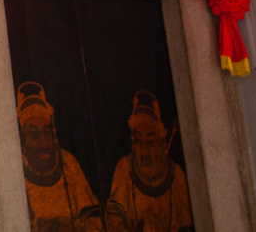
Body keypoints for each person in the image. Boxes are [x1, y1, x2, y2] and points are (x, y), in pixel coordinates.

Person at [102, 91, 194, 232]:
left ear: (161, 141)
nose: (144, 152)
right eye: (139, 142)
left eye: (150, 142)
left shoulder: (177, 176)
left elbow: (187, 225)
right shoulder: (124, 169)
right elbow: (115, 219)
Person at [17, 81, 101, 232]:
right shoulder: (15, 168)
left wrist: (69, 225)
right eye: (35, 135)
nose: (44, 143)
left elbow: (94, 219)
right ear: (23, 137)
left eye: (47, 133)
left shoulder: (67, 162)